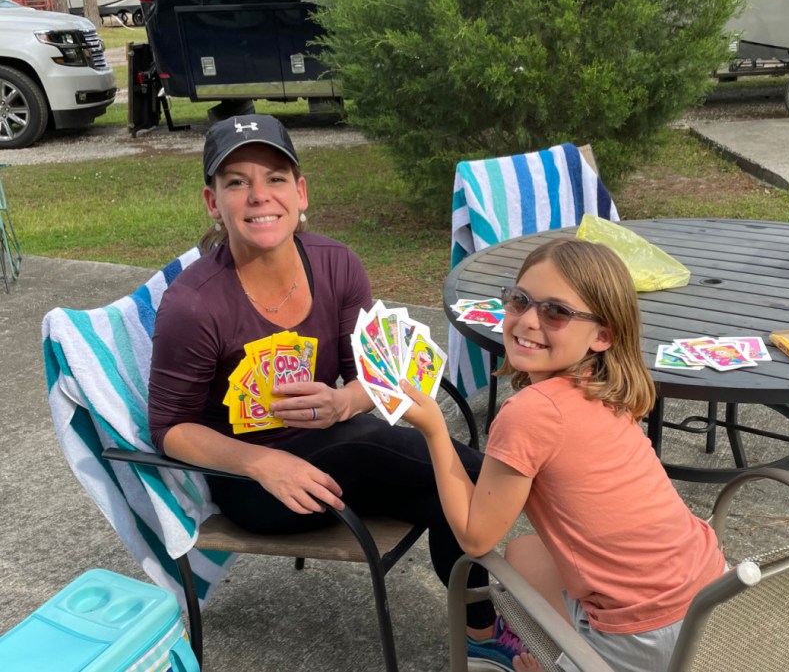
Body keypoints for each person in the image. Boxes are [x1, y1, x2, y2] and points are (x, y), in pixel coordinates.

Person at [146, 114, 496, 646]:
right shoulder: (194, 305)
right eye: (237, 182)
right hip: (260, 488)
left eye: (276, 178)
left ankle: (481, 634)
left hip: (343, 452)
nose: (259, 196)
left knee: (448, 498)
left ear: (301, 191)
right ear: (213, 203)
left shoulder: (336, 264)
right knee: (456, 467)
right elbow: (169, 427)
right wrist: (261, 462)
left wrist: (341, 402)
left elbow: (369, 378)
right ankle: (524, 488)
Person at [402, 237, 727, 672]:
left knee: (507, 557)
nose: (528, 321)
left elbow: (476, 537)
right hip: (712, 595)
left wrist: (434, 430)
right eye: (520, 301)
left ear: (602, 335)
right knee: (522, 553)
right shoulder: (604, 388)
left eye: (556, 312)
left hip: (639, 635)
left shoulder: (530, 413)